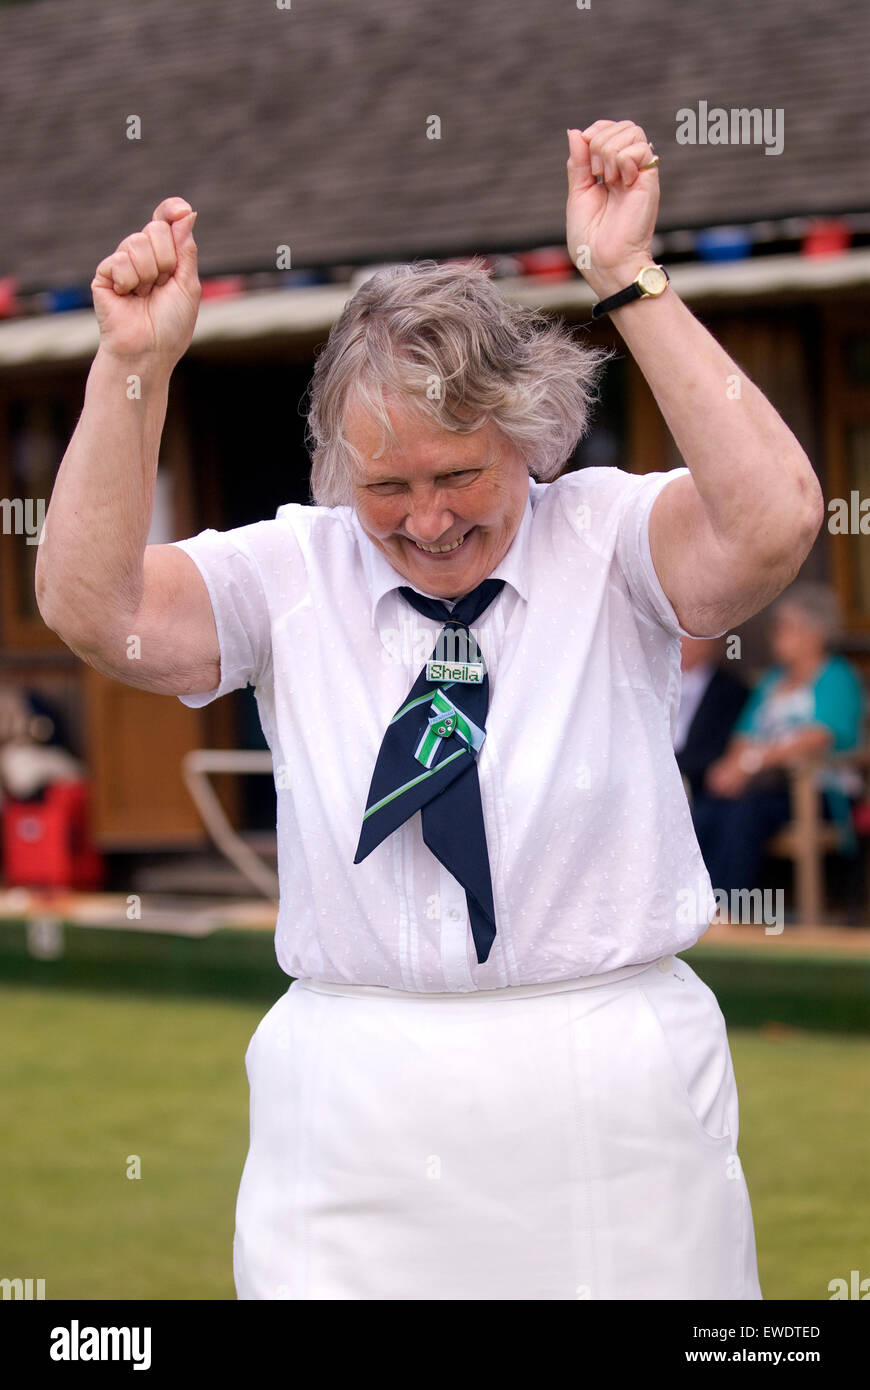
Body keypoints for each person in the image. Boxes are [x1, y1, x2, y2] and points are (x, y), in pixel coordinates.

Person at [36, 119, 825, 1300]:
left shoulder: (612, 535)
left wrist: (627, 279)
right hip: (351, 1098)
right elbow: (92, 605)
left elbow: (775, 520)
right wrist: (132, 366)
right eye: (386, 488)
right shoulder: (291, 570)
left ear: (530, 436)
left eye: (460, 475)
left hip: (610, 1086)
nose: (429, 520)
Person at [693, 582, 864, 898]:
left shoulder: (836, 677)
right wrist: (732, 768)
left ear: (815, 633)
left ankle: (730, 908)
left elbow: (817, 737)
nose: (776, 635)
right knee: (708, 807)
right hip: (767, 785)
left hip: (818, 790)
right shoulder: (772, 681)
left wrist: (752, 763)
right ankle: (696, 907)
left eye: (785, 627)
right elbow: (744, 735)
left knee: (746, 813)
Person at [674, 634, 749, 802]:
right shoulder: (652, 680)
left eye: (692, 636)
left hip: (695, 786)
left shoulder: (732, 690)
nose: (681, 640)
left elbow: (719, 750)